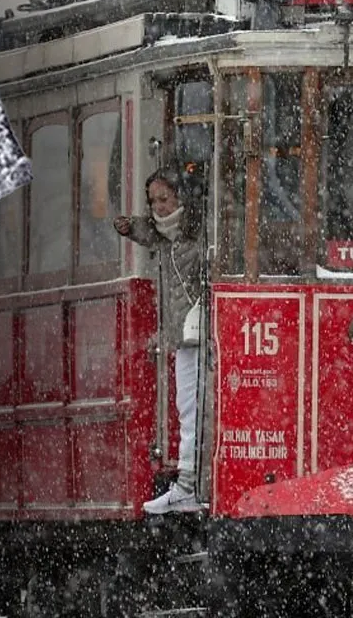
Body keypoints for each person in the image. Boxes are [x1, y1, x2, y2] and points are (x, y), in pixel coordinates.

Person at [114, 167, 206, 514]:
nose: (158, 207)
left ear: (181, 198)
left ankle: (191, 484)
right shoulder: (164, 235)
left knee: (197, 410)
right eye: (153, 201)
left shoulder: (193, 235)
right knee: (187, 408)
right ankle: (187, 484)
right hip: (183, 334)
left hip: (201, 335)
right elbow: (147, 231)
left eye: (164, 199)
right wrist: (128, 226)